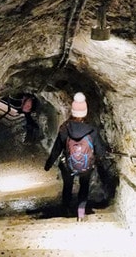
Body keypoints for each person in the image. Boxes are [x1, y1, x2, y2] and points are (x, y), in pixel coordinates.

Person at [44, 92, 106, 221]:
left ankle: (66, 208)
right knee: (84, 184)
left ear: (72, 112)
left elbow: (57, 149)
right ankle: (81, 211)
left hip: (68, 165)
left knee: (68, 184)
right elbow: (100, 151)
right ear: (85, 112)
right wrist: (98, 160)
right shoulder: (92, 130)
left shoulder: (65, 129)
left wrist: (48, 164)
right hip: (86, 165)